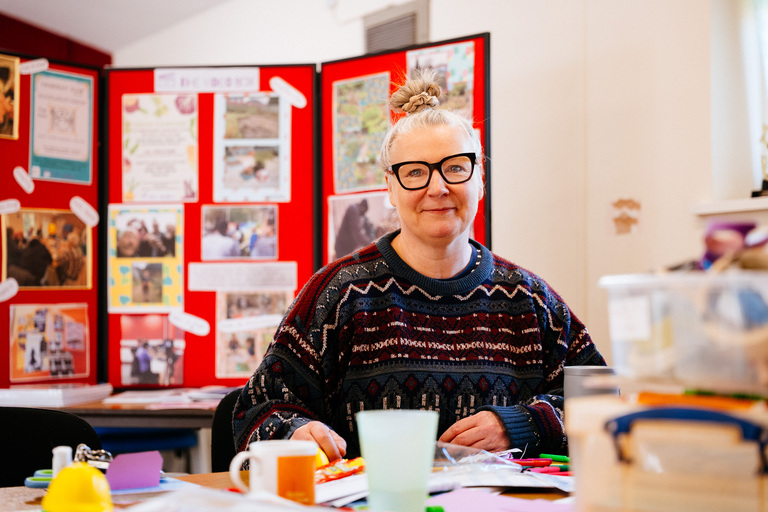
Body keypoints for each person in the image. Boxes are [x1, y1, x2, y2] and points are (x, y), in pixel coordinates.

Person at [233, 69, 605, 462]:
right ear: (390, 189)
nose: (437, 187)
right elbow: (255, 411)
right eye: (414, 172)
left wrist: (525, 424)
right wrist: (294, 432)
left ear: (480, 179)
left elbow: (602, 401)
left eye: (456, 167)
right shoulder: (339, 295)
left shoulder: (530, 300)